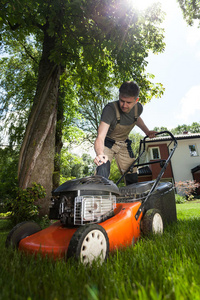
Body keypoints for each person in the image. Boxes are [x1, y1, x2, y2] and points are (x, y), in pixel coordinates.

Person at [94, 81, 157, 185]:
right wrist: (100, 154)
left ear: (136, 100)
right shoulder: (110, 110)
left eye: (128, 103)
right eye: (122, 101)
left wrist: (147, 131)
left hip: (124, 144)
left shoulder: (138, 108)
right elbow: (100, 136)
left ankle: (132, 199)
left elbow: (136, 118)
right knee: (103, 168)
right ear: (119, 96)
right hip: (107, 143)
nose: (124, 105)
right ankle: (99, 199)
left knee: (132, 172)